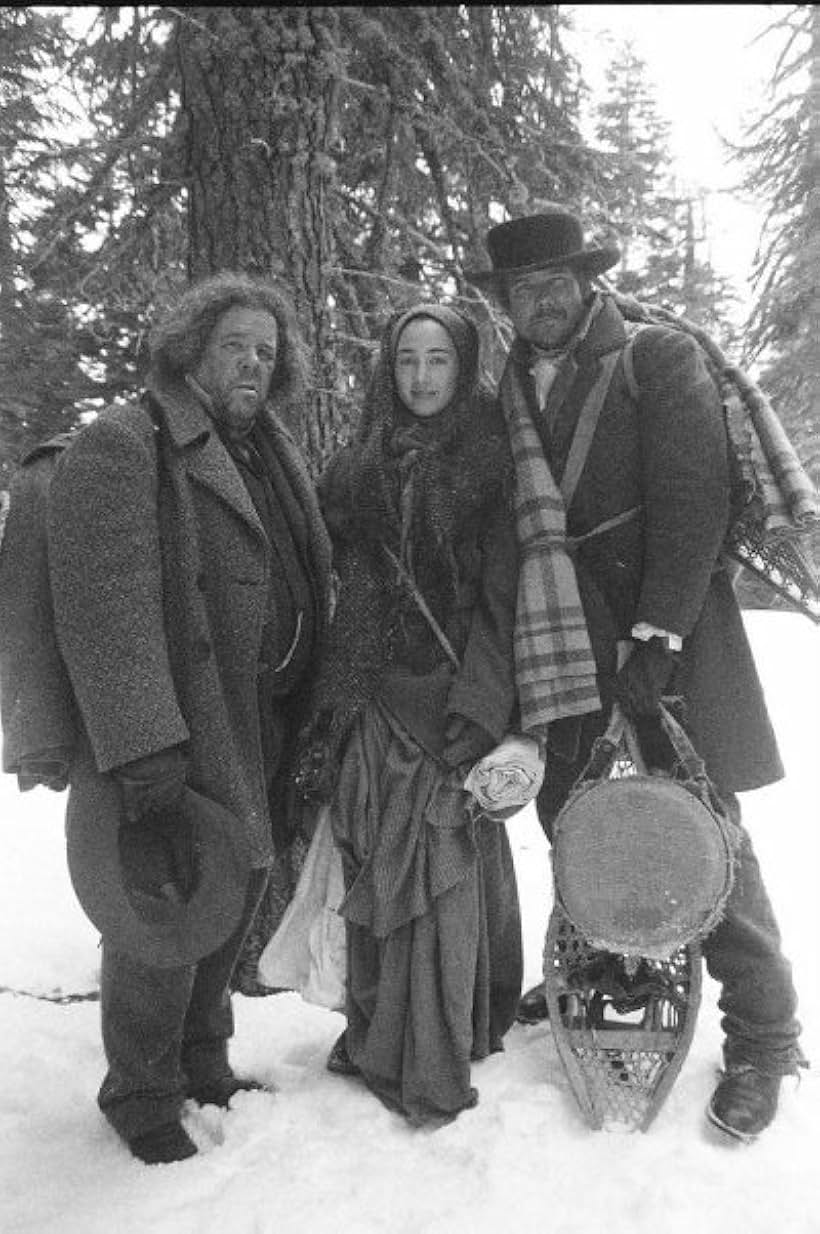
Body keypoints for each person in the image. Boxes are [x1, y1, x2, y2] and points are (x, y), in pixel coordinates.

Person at [464, 207, 807, 1142]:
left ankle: (765, 1038)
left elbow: (694, 498)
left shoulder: (655, 357)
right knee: (574, 815)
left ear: (585, 283)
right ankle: (612, 962)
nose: (540, 302)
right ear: (506, 303)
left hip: (669, 639)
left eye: (554, 284)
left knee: (703, 835)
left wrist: (657, 636)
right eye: (521, 290)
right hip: (566, 640)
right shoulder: (513, 387)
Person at [46, 273, 331, 1164]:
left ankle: (204, 1060)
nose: (253, 362)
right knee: (161, 912)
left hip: (259, 718)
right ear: (191, 348)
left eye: (266, 352)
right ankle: (140, 1093)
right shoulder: (126, 443)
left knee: (234, 889)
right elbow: (106, 611)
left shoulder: (265, 447)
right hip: (177, 729)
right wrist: (144, 751)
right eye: (235, 345)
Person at [296, 303, 526, 1126]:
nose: (423, 377)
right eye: (407, 361)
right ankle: (375, 1029)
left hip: (450, 702)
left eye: (439, 360)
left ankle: (430, 1043)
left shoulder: (493, 466)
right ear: (386, 371)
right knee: (370, 868)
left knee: (439, 875)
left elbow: (505, 600)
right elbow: (341, 591)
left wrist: (483, 702)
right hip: (372, 698)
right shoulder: (354, 472)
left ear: (464, 369)